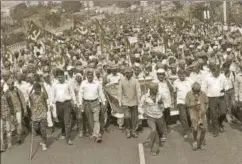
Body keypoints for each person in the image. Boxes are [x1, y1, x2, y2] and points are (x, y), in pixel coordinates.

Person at [78, 68, 106, 143]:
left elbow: (101, 93)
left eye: (91, 76)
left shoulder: (97, 83)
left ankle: (97, 135)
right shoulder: (83, 83)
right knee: (90, 120)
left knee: (96, 119)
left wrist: (104, 102)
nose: (90, 77)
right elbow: (80, 94)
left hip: (95, 102)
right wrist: (80, 103)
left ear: (93, 76)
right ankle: (94, 132)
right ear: (86, 76)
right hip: (86, 103)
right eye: (88, 76)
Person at [139, 82, 166, 156]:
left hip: (159, 117)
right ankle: (154, 149)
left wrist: (161, 104)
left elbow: (163, 109)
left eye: (157, 89)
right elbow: (140, 106)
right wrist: (143, 112)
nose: (156, 90)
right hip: (150, 117)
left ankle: (160, 137)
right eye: (155, 89)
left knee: (160, 131)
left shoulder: (160, 95)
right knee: (154, 131)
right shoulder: (144, 97)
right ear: (150, 89)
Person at [51, 69, 77, 145]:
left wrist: (74, 102)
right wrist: (51, 105)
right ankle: (63, 132)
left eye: (61, 77)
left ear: (64, 76)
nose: (60, 78)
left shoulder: (68, 83)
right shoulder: (54, 84)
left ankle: (68, 138)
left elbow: (72, 93)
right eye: (59, 77)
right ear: (57, 77)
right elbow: (52, 95)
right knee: (61, 120)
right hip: (58, 104)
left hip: (67, 104)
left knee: (67, 121)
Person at [202, 65, 227, 137]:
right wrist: (206, 97)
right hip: (211, 98)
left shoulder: (222, 76)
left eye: (218, 73)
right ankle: (215, 130)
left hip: (221, 97)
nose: (217, 74)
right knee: (213, 114)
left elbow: (226, 85)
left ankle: (219, 122)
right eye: (215, 73)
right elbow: (203, 88)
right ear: (212, 72)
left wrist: (224, 89)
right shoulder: (207, 77)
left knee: (223, 113)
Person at [118, 67, 141, 138]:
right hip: (125, 101)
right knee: (127, 117)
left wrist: (139, 100)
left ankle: (133, 130)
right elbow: (120, 92)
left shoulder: (135, 81)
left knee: (134, 118)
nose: (127, 74)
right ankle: (128, 130)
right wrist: (120, 101)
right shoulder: (121, 81)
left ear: (131, 73)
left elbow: (138, 91)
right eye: (126, 73)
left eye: (128, 73)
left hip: (134, 101)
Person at [185, 82, 208, 151]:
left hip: (202, 113)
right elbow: (186, 104)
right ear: (192, 89)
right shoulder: (189, 94)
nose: (197, 92)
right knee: (195, 128)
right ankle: (195, 141)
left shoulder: (203, 93)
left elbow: (207, 103)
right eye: (195, 91)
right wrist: (194, 105)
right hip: (193, 113)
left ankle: (200, 143)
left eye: (198, 90)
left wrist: (205, 110)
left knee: (204, 129)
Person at [6, 78, 27, 144]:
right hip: (11, 110)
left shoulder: (17, 90)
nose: (10, 85)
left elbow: (22, 99)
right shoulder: (6, 92)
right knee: (12, 123)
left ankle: (19, 137)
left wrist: (25, 109)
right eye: (9, 84)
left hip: (18, 109)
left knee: (19, 122)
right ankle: (19, 131)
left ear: (13, 84)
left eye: (11, 84)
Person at [29, 83, 48, 151]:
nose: (38, 91)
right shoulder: (31, 95)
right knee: (36, 128)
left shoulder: (42, 94)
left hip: (42, 114)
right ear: (34, 89)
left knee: (43, 129)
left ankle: (44, 143)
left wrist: (43, 86)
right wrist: (32, 112)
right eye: (36, 89)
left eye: (39, 89)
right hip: (35, 114)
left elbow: (47, 96)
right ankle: (42, 138)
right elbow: (31, 104)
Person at [174, 69, 192, 138]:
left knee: (189, 116)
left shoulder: (190, 81)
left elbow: (194, 89)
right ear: (178, 75)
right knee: (183, 117)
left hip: (189, 102)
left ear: (185, 74)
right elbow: (174, 93)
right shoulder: (176, 82)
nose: (182, 76)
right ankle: (186, 131)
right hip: (180, 102)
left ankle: (190, 128)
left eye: (183, 74)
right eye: (180, 75)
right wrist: (175, 102)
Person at [0, 84, 14, 152]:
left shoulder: (6, 95)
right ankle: (1, 146)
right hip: (0, 116)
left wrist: (11, 113)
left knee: (8, 129)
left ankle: (9, 142)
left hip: (7, 114)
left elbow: (11, 105)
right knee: (1, 131)